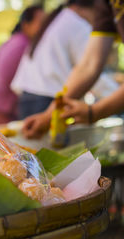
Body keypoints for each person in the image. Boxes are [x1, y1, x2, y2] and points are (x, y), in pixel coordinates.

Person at [22, 0, 124, 139]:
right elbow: (88, 64)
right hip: (47, 98)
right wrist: (49, 115)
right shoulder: (103, 4)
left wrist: (96, 111)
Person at [0, 5, 45, 124]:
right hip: (1, 112)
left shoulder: (13, 41)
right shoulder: (24, 46)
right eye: (41, 23)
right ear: (26, 25)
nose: (46, 28)